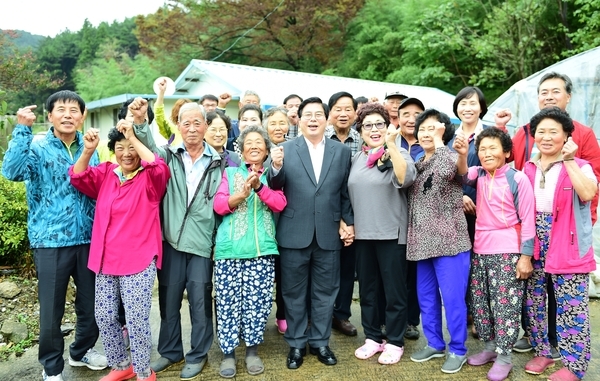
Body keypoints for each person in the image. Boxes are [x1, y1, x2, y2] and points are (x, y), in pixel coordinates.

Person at [2, 91, 107, 381]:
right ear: (50, 116)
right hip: (50, 240)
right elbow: (11, 172)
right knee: (51, 309)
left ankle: (81, 351)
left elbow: (98, 187)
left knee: (91, 304)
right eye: (61, 109)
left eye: (74, 110)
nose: (67, 115)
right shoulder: (36, 146)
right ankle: (51, 367)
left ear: (83, 116)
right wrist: (21, 129)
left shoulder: (91, 146)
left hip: (87, 237)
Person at [495, 72, 600, 355]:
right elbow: (511, 168)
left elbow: (591, 184)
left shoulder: (584, 134)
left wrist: (583, 224)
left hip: (569, 227)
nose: (549, 96)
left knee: (566, 297)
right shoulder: (527, 132)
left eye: (556, 91)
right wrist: (502, 130)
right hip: (533, 232)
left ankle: (564, 350)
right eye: (544, 91)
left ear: (568, 96)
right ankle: (538, 341)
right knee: (535, 292)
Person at [69, 121, 170, 381]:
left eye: (132, 148)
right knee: (104, 316)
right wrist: (88, 150)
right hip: (105, 259)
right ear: (113, 150)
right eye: (120, 147)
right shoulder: (106, 173)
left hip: (138, 258)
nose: (127, 153)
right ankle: (121, 365)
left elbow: (159, 165)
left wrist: (132, 136)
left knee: (136, 320)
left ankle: (144, 372)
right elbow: (78, 176)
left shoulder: (150, 179)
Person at [132, 100, 224, 380]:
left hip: (201, 244)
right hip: (171, 242)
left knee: (199, 302)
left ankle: (198, 354)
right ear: (179, 126)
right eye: (187, 123)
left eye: (198, 122)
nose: (193, 128)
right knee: (169, 301)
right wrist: (139, 121)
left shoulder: (221, 161)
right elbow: (147, 146)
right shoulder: (168, 155)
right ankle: (171, 352)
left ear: (206, 126)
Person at [268, 97, 354, 370]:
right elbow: (275, 185)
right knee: (293, 292)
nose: (314, 119)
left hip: (328, 232)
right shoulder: (285, 149)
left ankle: (320, 341)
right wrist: (276, 166)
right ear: (299, 119)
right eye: (308, 114)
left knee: (326, 291)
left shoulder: (340, 152)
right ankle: (296, 344)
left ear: (326, 119)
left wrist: (347, 221)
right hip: (294, 232)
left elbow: (344, 193)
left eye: (319, 114)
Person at [521, 107, 597, 381]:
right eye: (541, 131)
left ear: (567, 136)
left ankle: (574, 366)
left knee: (571, 306)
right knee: (535, 302)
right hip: (534, 240)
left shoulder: (581, 165)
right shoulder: (527, 168)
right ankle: (543, 351)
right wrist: (525, 253)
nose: (547, 137)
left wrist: (570, 161)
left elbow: (588, 193)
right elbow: (523, 211)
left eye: (554, 131)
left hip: (568, 243)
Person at [456, 127, 535, 381]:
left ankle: (505, 357)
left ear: (506, 152)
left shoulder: (517, 178)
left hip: (508, 250)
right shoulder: (477, 175)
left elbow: (529, 219)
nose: (486, 153)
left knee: (505, 307)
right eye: (481, 149)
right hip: (480, 248)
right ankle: (489, 348)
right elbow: (458, 175)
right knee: (479, 303)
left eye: (493, 148)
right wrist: (460, 153)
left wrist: (525, 256)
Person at [213, 125, 287, 378]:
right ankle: (229, 354)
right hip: (229, 250)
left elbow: (279, 204)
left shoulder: (274, 176)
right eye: (249, 143)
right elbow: (219, 204)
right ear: (241, 150)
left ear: (266, 150)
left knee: (258, 303)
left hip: (261, 251)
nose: (254, 146)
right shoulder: (230, 172)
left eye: (259, 143)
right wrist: (241, 194)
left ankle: (252, 351)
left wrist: (258, 188)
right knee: (227, 305)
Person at [349, 102, 416, 365]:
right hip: (363, 235)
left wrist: (390, 145)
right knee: (368, 291)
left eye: (379, 124)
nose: (374, 129)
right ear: (361, 131)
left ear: (388, 126)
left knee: (394, 292)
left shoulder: (399, 152)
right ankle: (373, 337)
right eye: (368, 125)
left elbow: (405, 178)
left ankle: (396, 342)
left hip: (391, 233)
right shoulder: (357, 159)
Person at [406, 109, 471, 374]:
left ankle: (458, 349)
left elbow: (446, 174)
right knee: (426, 297)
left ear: (444, 131)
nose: (426, 133)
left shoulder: (452, 157)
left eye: (433, 128)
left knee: (453, 299)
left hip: (450, 242)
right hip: (421, 242)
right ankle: (434, 342)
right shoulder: (419, 162)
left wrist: (442, 141)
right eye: (422, 129)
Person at [325, 91, 361, 337]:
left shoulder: (364, 139)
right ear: (330, 112)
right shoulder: (321, 139)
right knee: (324, 267)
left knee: (348, 269)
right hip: (326, 212)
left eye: (348, 108)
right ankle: (320, 314)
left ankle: (341, 315)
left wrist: (349, 221)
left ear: (356, 113)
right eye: (338, 108)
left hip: (355, 213)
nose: (343, 113)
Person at [395, 97, 425, 341]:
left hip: (422, 217)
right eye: (406, 113)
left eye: (417, 113)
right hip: (394, 213)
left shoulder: (430, 144)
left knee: (415, 272)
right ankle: (393, 319)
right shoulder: (389, 141)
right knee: (396, 271)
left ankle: (411, 321)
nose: (411, 118)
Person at [263, 106, 290, 335]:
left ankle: (283, 313)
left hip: (286, 220)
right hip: (262, 219)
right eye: (273, 123)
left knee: (284, 272)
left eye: (282, 122)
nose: (278, 127)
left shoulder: (294, 150)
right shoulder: (258, 150)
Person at [155, 78, 191, 146]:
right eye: (182, 111)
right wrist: (161, 92)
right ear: (177, 114)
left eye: (188, 110)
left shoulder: (199, 130)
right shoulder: (172, 131)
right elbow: (159, 116)